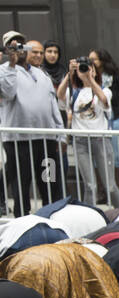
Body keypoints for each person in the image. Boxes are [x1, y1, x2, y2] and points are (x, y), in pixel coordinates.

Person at [0, 35, 66, 216]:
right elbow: (8, 93)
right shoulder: (5, 70)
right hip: (19, 140)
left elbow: (52, 105)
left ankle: (51, 215)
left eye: (39, 52)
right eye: (32, 51)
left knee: (49, 181)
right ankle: (23, 219)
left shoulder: (42, 74)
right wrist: (12, 64)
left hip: (46, 140)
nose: (36, 55)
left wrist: (61, 134)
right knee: (22, 183)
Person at [56, 52, 119, 207]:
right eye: (83, 69)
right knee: (90, 185)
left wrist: (90, 79)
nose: (86, 71)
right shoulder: (73, 91)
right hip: (80, 141)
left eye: (89, 68)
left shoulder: (104, 90)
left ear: (95, 71)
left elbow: (105, 101)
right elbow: (59, 95)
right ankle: (91, 217)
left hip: (100, 139)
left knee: (110, 185)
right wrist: (70, 73)